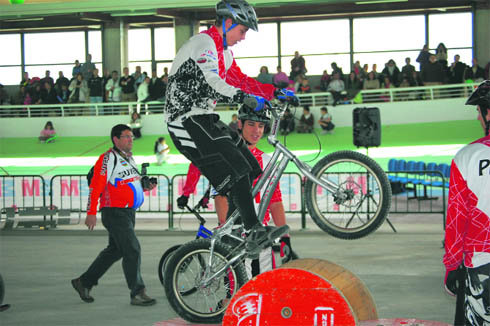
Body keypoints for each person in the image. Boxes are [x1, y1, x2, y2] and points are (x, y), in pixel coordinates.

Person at [164, 0, 291, 255]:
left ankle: (236, 230)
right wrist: (242, 97)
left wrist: (274, 92)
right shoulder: (203, 43)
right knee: (239, 169)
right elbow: (212, 81)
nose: (243, 38)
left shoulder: (225, 53)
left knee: (252, 168)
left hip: (205, 119)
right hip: (185, 120)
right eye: (242, 31)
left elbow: (241, 80)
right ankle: (251, 229)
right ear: (228, 23)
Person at [177, 105, 293, 276]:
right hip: (236, 239)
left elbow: (275, 201)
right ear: (240, 124)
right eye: (251, 124)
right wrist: (230, 233)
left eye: (261, 126)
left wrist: (285, 239)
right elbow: (220, 198)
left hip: (261, 240)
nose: (256, 131)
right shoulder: (226, 154)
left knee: (264, 292)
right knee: (235, 294)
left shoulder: (268, 161)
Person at [71, 124, 157, 307]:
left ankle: (84, 282)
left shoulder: (129, 159)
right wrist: (91, 212)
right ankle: (137, 292)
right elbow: (96, 185)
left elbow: (129, 184)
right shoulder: (108, 158)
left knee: (115, 250)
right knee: (132, 249)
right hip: (114, 212)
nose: (130, 139)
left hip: (127, 212)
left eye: (131, 136)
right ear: (116, 139)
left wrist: (145, 186)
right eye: (126, 136)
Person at [443, 80, 490, 325]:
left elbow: (456, 219)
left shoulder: (467, 157)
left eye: (478, 111)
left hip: (482, 261)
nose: (478, 118)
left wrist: (452, 266)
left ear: (488, 112)